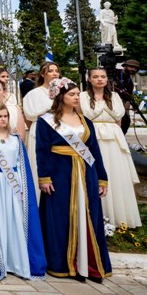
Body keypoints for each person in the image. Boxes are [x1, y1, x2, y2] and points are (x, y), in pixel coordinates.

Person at [36, 78, 111, 283]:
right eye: (72, 94)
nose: (77, 97)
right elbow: (42, 151)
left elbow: (94, 151)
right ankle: (66, 265)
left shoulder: (85, 121)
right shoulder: (46, 121)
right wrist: (44, 177)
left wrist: (102, 178)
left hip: (87, 174)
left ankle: (89, 265)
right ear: (60, 96)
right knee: (62, 218)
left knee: (88, 216)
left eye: (78, 94)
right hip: (60, 173)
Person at [0, 102, 46, 280]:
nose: (3, 119)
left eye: (5, 116)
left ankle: (17, 261)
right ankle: (0, 260)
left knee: (16, 221)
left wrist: (23, 188)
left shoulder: (16, 139)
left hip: (14, 185)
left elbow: (22, 165)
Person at [82, 67, 141, 228]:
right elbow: (83, 116)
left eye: (103, 76)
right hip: (92, 136)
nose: (99, 79)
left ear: (107, 79)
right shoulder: (82, 96)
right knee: (95, 171)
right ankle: (95, 216)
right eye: (95, 76)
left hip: (113, 137)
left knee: (115, 171)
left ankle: (118, 216)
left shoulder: (115, 96)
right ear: (89, 79)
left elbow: (118, 119)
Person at [22, 61, 60, 183]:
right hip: (40, 130)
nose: (55, 73)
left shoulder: (63, 92)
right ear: (43, 74)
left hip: (62, 131)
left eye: (56, 71)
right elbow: (29, 116)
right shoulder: (33, 94)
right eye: (50, 71)